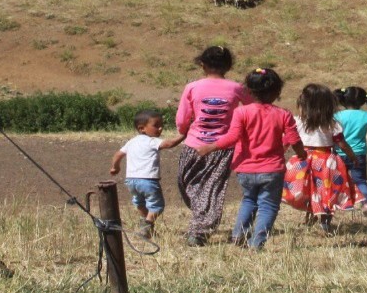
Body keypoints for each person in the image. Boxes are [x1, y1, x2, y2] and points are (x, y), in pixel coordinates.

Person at [197, 68, 306, 250]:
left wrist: (211, 147)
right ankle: (257, 243)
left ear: (249, 91)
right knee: (268, 205)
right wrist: (302, 153)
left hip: (245, 169)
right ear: (277, 92)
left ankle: (239, 235)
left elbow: (232, 137)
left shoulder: (241, 112)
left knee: (249, 200)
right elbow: (294, 139)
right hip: (272, 170)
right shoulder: (283, 114)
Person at [176, 45, 252, 247]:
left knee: (198, 186)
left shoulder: (193, 87)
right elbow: (253, 107)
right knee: (205, 188)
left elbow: (182, 118)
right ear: (228, 66)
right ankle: (202, 218)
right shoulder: (236, 88)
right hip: (215, 147)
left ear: (202, 64)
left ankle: (199, 231)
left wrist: (182, 130)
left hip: (207, 146)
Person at [284, 84, 362, 236]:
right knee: (326, 192)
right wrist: (352, 156)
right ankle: (325, 222)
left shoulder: (297, 121)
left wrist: (280, 154)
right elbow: (342, 143)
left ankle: (311, 218)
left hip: (303, 160)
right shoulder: (332, 124)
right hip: (327, 162)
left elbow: (288, 140)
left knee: (308, 191)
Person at [109, 110, 185, 238]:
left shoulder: (131, 142)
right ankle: (147, 225)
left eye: (161, 125)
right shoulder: (151, 141)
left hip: (131, 180)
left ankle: (146, 226)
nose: (160, 128)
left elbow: (118, 154)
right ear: (142, 128)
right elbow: (170, 144)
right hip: (148, 180)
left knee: (139, 203)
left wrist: (115, 167)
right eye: (156, 125)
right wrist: (184, 134)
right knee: (157, 206)